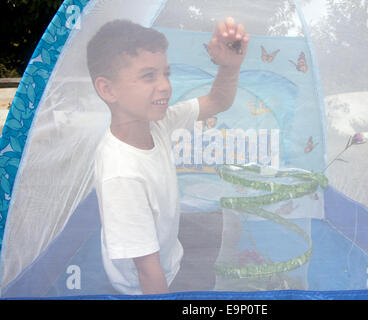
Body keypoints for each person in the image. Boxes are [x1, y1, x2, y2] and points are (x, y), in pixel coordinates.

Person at [87, 17, 249, 295]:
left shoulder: (157, 123)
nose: (164, 86)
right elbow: (148, 272)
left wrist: (229, 66)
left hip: (169, 250)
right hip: (149, 282)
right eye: (149, 76)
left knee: (219, 222)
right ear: (108, 89)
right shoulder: (122, 175)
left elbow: (217, 101)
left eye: (166, 74)